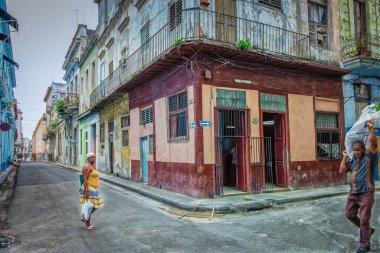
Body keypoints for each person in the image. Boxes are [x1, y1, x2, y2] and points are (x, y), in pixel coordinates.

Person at [340, 120, 378, 253]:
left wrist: (371, 129)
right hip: (353, 192)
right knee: (349, 214)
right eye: (354, 150)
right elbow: (342, 171)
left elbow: (373, 144)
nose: (356, 152)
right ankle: (369, 230)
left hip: (366, 192)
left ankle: (364, 245)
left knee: (364, 219)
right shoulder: (352, 160)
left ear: (363, 149)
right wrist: (345, 157)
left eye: (358, 150)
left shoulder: (369, 157)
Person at [79, 152, 103, 230]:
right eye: (92, 157)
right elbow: (85, 179)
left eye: (95, 157)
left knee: (92, 206)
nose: (94, 159)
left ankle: (85, 219)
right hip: (89, 189)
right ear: (88, 158)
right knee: (92, 205)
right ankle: (86, 221)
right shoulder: (86, 167)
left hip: (93, 189)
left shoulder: (92, 166)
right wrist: (86, 191)